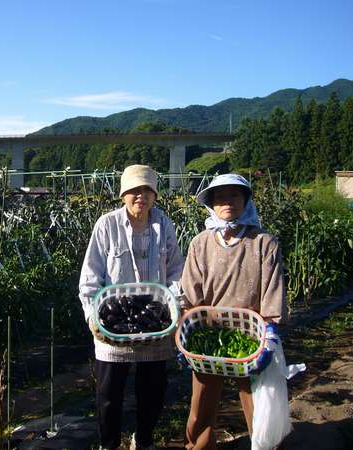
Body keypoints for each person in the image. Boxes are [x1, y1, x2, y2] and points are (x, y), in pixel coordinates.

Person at [79, 164, 184, 450]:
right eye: (135, 191)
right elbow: (90, 275)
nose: (141, 196)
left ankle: (144, 439)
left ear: (155, 195)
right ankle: (109, 444)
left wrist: (173, 304)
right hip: (114, 323)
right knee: (109, 391)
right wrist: (92, 316)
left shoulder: (164, 225)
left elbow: (176, 270)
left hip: (154, 320)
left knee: (153, 389)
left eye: (147, 190)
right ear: (123, 194)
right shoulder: (107, 225)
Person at [180, 173, 287, 450]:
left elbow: (272, 294)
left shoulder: (264, 242)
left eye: (235, 195)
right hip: (210, 335)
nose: (227, 202)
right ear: (212, 204)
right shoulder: (201, 243)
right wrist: (186, 328)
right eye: (220, 197)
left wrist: (270, 333)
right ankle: (200, 444)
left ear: (245, 201)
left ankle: (265, 445)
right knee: (201, 401)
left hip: (251, 336)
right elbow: (191, 295)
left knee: (257, 399)